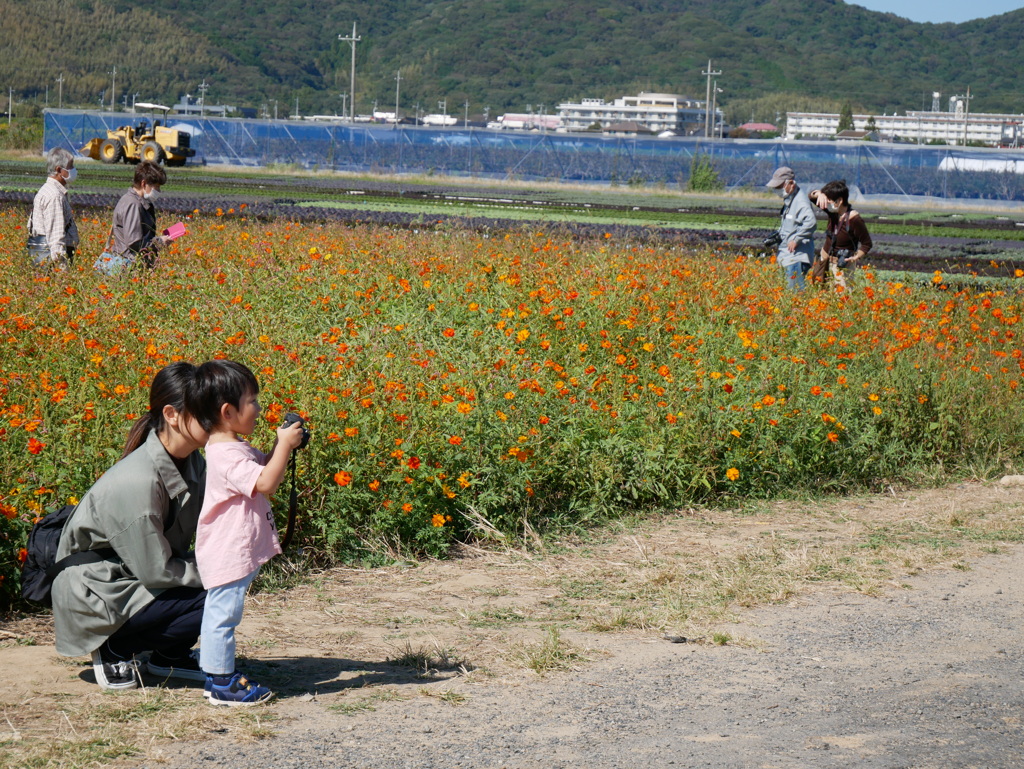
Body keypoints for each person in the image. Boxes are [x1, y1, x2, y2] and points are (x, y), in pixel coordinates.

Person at [51, 362, 209, 691]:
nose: (219, 419)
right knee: (216, 593)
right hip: (96, 592)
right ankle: (114, 647)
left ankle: (169, 655)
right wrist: (215, 570)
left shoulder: (194, 462)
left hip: (126, 575)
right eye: (205, 410)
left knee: (222, 584)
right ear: (172, 414)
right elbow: (156, 571)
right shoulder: (140, 477)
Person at [191, 360, 306, 706]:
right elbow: (267, 482)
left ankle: (217, 671)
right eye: (252, 401)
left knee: (225, 612)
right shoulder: (225, 454)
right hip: (227, 551)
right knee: (223, 615)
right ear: (228, 411)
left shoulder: (234, 447)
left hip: (232, 548)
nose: (258, 408)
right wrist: (283, 444)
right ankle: (221, 684)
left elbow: (265, 469)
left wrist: (287, 445)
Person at [809, 179, 873, 290]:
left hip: (842, 265)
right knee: (821, 292)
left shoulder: (854, 219)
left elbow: (867, 243)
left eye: (828, 200)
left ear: (839, 201)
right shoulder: (833, 212)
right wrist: (820, 194)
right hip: (825, 260)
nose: (825, 204)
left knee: (842, 296)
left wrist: (856, 256)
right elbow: (811, 196)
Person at [109, 160, 170, 269]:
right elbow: (134, 242)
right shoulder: (133, 204)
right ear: (144, 183)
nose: (159, 191)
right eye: (156, 187)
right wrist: (159, 242)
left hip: (132, 263)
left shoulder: (135, 201)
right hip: (129, 265)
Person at [765, 166, 818, 291]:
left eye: (779, 187)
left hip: (796, 258)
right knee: (788, 295)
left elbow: (811, 222)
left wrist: (796, 239)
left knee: (795, 297)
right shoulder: (790, 200)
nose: (777, 190)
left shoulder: (800, 201)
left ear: (790, 184)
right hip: (787, 257)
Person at [27, 147, 80, 269]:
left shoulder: (46, 190)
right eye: (70, 166)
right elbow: (55, 234)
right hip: (51, 260)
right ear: (59, 170)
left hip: (40, 253)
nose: (73, 170)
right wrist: (61, 268)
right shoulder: (54, 196)